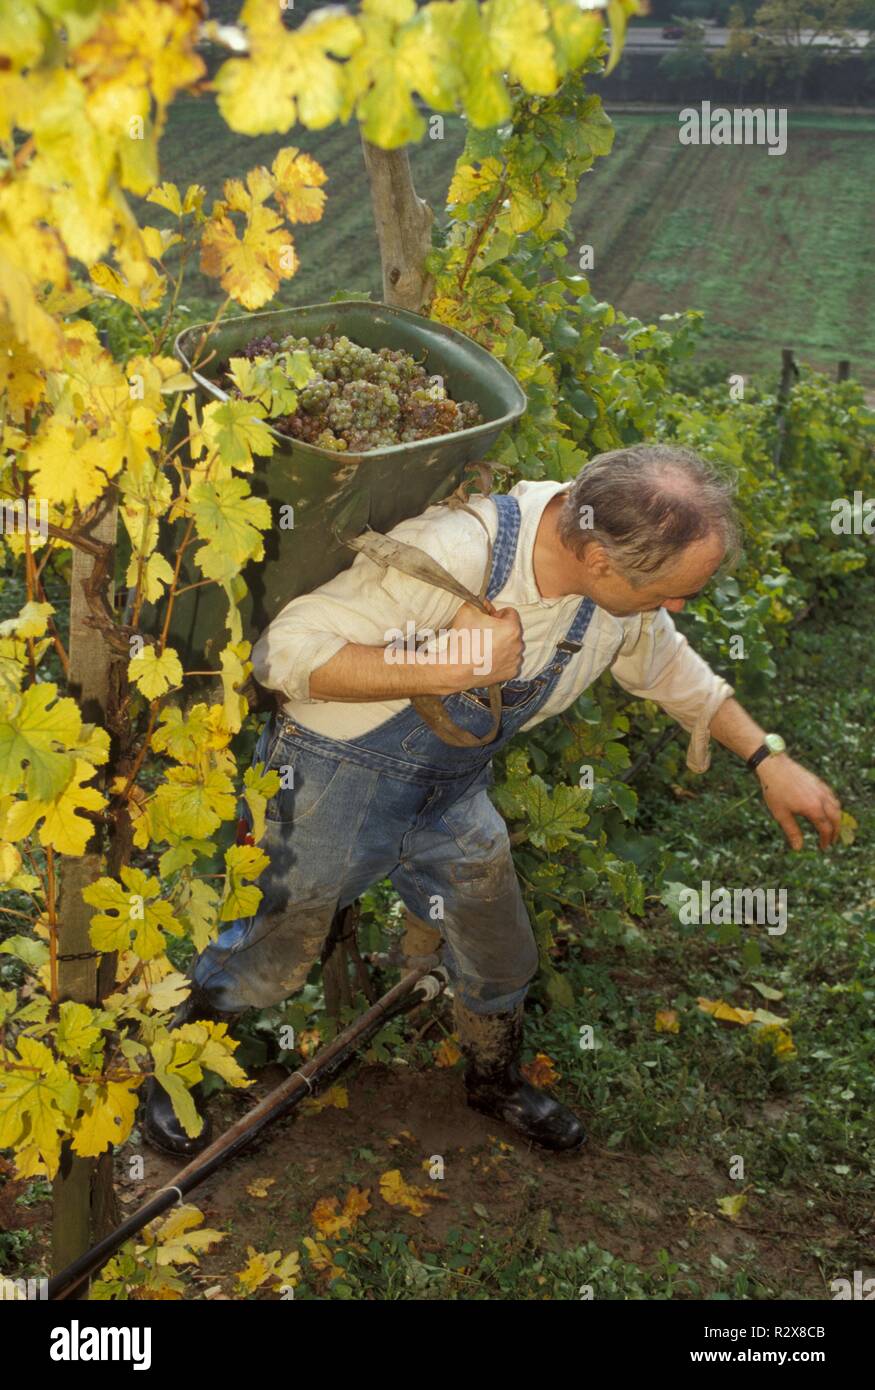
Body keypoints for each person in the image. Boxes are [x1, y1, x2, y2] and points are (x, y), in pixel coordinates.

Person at [144, 444, 843, 1156]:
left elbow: (662, 661)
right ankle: (172, 1076)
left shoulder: (613, 591)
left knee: (497, 945)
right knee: (273, 949)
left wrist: (764, 757)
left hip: (449, 788)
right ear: (598, 559)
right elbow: (283, 655)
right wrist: (449, 664)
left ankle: (493, 1079)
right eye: (669, 591)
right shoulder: (455, 553)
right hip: (333, 778)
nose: (674, 606)